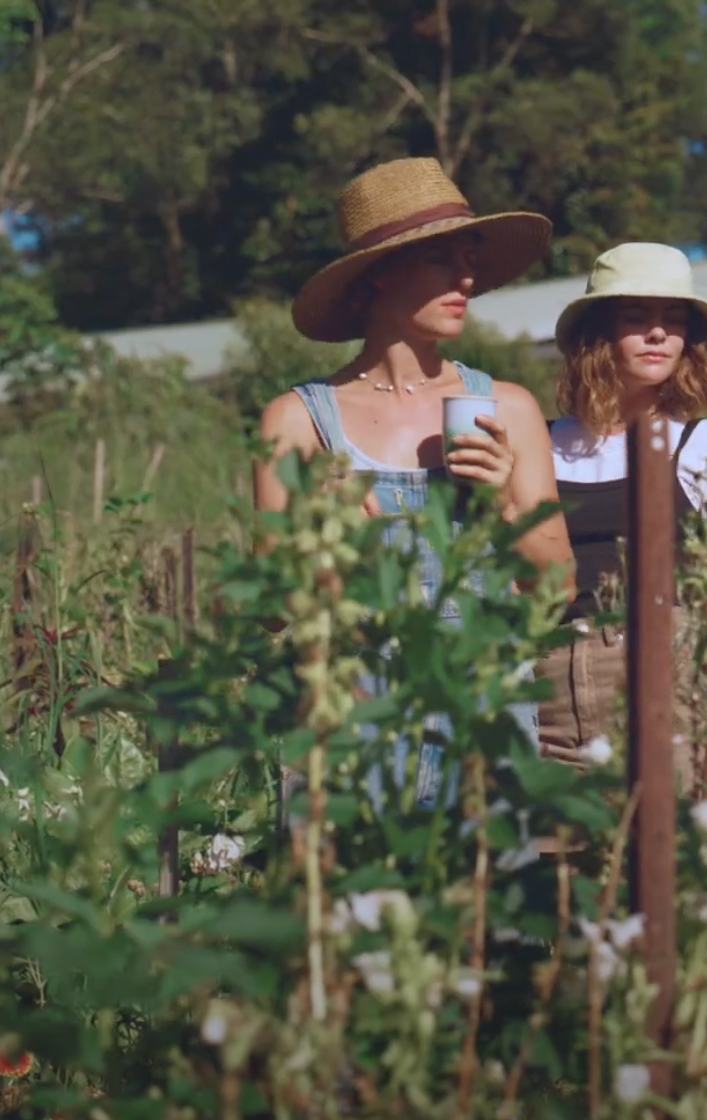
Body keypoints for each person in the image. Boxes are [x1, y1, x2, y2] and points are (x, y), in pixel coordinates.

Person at [253, 156, 574, 811]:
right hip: (350, 724)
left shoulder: (505, 409)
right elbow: (271, 610)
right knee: (347, 913)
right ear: (378, 276)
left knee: (481, 914)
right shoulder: (298, 422)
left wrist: (507, 497)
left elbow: (559, 590)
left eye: (470, 257)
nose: (466, 277)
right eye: (441, 260)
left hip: (481, 718)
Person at [537, 242, 707, 793]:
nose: (658, 334)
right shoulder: (539, 441)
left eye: (673, 320)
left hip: (668, 681)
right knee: (559, 868)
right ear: (598, 334)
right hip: (549, 686)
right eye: (637, 317)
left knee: (671, 859)